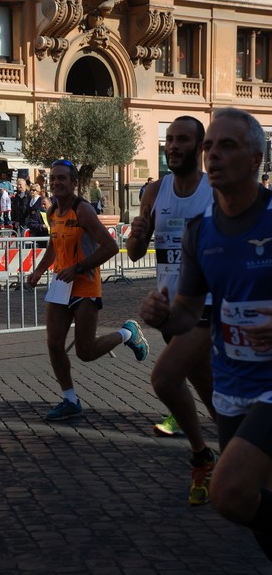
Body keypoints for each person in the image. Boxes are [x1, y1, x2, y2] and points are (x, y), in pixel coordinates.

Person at [139, 107, 272, 561]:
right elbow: (184, 315)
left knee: (229, 491)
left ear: (256, 157)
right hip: (234, 384)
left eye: (226, 146)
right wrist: (159, 316)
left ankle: (204, 462)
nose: (213, 155)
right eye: (211, 146)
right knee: (252, 497)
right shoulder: (203, 231)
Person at [126, 115, 217, 506]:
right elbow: (133, 252)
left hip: (209, 308)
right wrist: (138, 235)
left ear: (199, 148)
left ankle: (207, 458)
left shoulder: (214, 190)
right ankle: (224, 456)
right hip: (169, 312)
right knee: (212, 397)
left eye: (183, 140)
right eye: (170, 140)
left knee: (164, 379)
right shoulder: (155, 191)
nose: (175, 146)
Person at [27, 159, 149, 421]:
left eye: (63, 178)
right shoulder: (52, 213)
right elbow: (54, 244)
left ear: (73, 183)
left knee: (85, 351)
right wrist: (39, 270)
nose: (57, 182)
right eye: (54, 178)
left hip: (85, 286)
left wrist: (79, 268)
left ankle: (127, 333)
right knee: (54, 344)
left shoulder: (83, 211)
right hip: (61, 286)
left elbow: (111, 247)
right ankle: (70, 399)